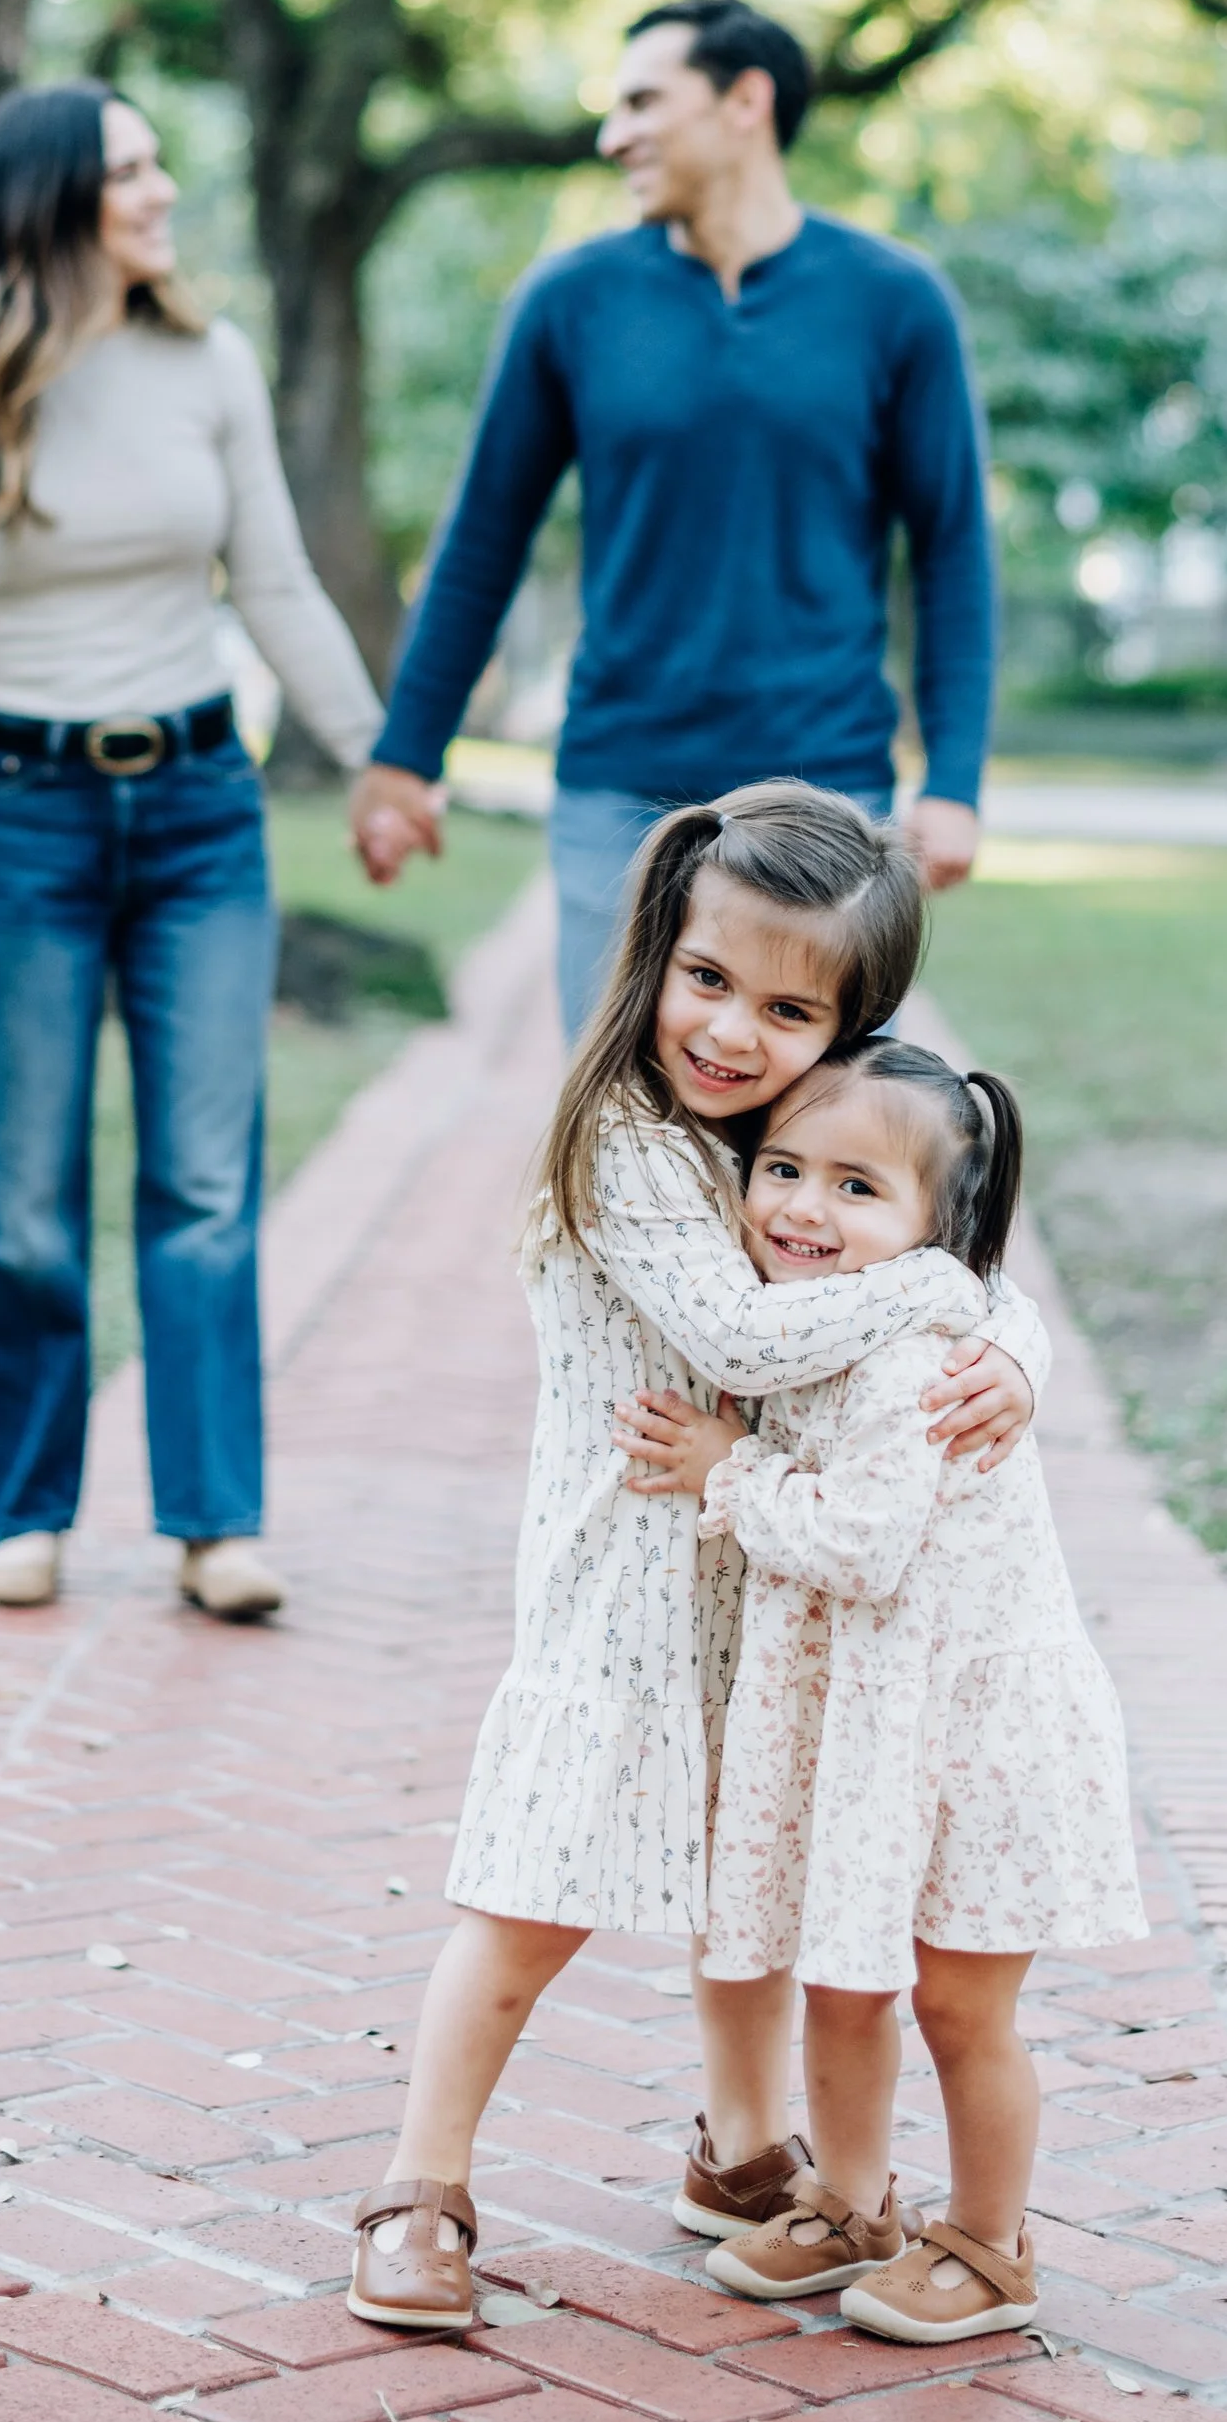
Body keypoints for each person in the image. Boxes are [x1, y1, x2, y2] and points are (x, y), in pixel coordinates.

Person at [343, 787, 1047, 2335]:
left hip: (778, 1593)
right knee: (531, 1894)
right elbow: (739, 1332)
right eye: (709, 979)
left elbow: (955, 1229)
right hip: (627, 1590)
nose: (733, 1030)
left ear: (852, 1020)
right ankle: (419, 2183)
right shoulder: (622, 1141)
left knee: (758, 1896)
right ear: (656, 949)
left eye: (792, 1008)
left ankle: (742, 2159)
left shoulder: (796, 1141)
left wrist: (1014, 1339)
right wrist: (956, 1306)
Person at [0, 81, 384, 1618]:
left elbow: (275, 582)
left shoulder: (207, 362)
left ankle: (216, 1522)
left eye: (157, 164)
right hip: (19, 823)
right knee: (23, 1197)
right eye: (129, 172)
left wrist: (378, 757)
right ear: (49, 201)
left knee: (206, 1184)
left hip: (203, 813)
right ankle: (20, 1510)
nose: (159, 194)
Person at [628, 1037, 1142, 2349]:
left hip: (967, 1728)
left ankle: (991, 2238)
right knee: (845, 1979)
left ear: (934, 1230)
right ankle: (852, 2202)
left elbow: (862, 1541)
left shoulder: (918, 1347)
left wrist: (727, 1471)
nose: (803, 1207)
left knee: (962, 2000)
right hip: (870, 1719)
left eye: (857, 1187)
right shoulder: (811, 1323)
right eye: (786, 1168)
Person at [345, 0, 996, 1026]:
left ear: (746, 101)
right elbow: (481, 541)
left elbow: (953, 549)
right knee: (614, 1137)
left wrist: (954, 776)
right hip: (622, 790)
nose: (614, 137)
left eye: (645, 102)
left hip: (824, 795)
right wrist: (404, 758)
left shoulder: (894, 300)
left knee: (809, 1132)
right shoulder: (568, 301)